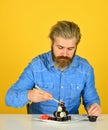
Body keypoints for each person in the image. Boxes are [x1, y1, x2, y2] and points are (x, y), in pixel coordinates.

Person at [5, 20, 101, 116]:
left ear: (76, 46)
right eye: (60, 47)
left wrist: (94, 107)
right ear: (52, 43)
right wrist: (28, 95)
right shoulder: (36, 66)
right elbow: (9, 98)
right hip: (39, 125)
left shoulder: (85, 69)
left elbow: (91, 100)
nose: (64, 54)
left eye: (70, 49)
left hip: (70, 125)